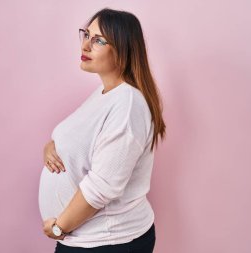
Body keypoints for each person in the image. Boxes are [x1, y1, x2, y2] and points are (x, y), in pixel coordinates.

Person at [38, 7, 166, 253]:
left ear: (123, 49)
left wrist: (59, 227)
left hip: (108, 242)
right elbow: (78, 136)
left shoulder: (128, 105)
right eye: (86, 35)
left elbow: (102, 187)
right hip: (85, 238)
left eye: (98, 40)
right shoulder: (105, 93)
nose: (85, 46)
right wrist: (51, 147)